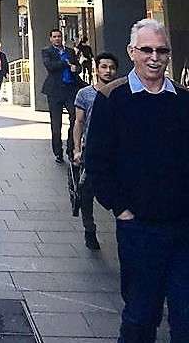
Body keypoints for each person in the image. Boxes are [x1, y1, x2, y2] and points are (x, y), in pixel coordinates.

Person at [86, 18, 189, 343]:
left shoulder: (182, 99)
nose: (154, 58)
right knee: (141, 318)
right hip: (139, 229)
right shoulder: (112, 98)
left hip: (183, 229)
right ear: (132, 52)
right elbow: (97, 160)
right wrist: (121, 209)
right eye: (147, 50)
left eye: (162, 50)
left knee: (185, 319)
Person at [72, 52, 118, 251]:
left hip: (116, 152)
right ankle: (89, 229)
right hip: (91, 151)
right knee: (86, 192)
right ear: (96, 69)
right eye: (104, 67)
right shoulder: (85, 94)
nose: (108, 71)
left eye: (112, 67)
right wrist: (76, 149)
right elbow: (79, 122)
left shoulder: (121, 93)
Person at [42, 28, 82, 163]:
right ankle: (58, 152)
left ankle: (71, 149)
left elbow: (78, 66)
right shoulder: (47, 51)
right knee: (56, 123)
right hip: (54, 91)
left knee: (75, 119)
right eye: (54, 37)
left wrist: (76, 69)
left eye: (59, 36)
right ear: (50, 39)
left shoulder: (70, 51)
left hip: (70, 90)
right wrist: (65, 62)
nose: (57, 39)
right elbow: (50, 66)